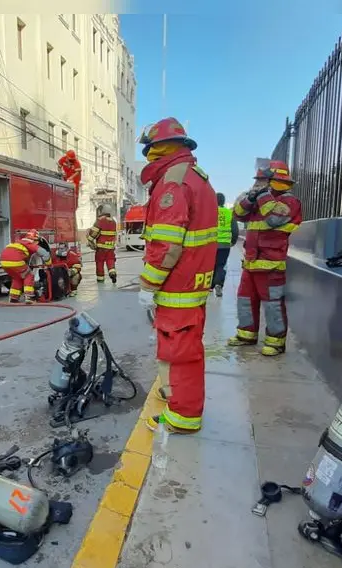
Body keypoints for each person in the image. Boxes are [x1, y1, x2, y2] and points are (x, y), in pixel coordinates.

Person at [136, 117, 218, 435]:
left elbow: (167, 244)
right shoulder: (196, 178)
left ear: (158, 149)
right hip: (191, 285)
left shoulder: (173, 181)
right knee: (183, 348)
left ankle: (183, 416)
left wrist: (148, 284)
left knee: (180, 353)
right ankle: (176, 395)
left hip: (177, 287)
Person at [228, 160, 302, 356]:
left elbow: (274, 219)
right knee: (245, 300)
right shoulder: (259, 199)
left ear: (273, 180)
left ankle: (276, 342)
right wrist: (250, 198)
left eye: (262, 181)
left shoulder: (289, 202)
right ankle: (246, 335)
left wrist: (263, 196)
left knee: (272, 304)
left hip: (271, 265)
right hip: (251, 263)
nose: (257, 184)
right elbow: (238, 214)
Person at [0, 230, 50, 304]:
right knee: (29, 275)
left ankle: (13, 298)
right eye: (37, 241)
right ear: (35, 240)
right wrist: (48, 264)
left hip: (3, 262)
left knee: (17, 278)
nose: (38, 243)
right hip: (15, 261)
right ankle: (29, 297)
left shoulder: (18, 242)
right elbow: (44, 253)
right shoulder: (29, 243)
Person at [212, 192, 240, 297]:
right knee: (221, 265)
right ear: (223, 201)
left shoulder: (210, 212)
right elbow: (235, 230)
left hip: (211, 244)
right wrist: (233, 241)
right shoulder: (229, 213)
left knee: (211, 264)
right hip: (224, 245)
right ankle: (219, 284)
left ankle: (210, 286)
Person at [86, 204, 118, 284]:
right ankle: (112, 273)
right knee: (110, 261)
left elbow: (94, 232)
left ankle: (100, 279)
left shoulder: (100, 220)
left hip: (101, 248)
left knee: (99, 262)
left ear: (102, 211)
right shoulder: (113, 221)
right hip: (110, 247)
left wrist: (90, 240)